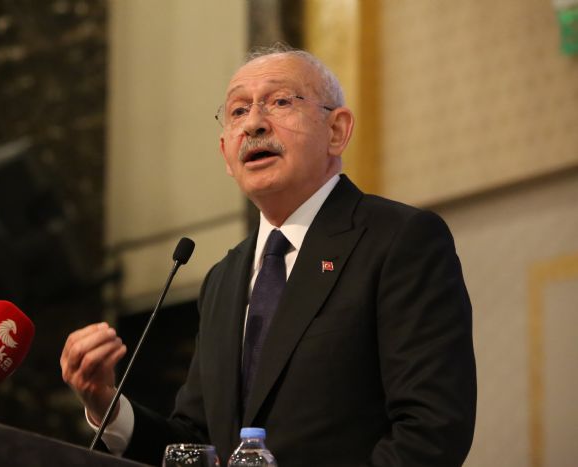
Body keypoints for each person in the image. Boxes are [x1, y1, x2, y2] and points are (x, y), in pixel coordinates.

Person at [60, 45, 476, 466]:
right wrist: (107, 406)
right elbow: (198, 442)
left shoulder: (397, 240)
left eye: (280, 102)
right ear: (225, 153)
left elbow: (431, 430)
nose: (254, 123)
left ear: (336, 131)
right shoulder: (223, 279)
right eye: (238, 111)